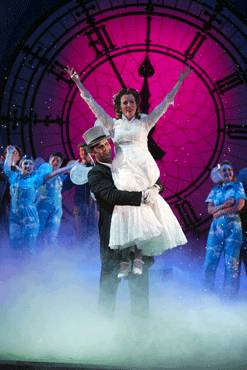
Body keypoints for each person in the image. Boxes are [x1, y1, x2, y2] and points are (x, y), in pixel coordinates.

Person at [66, 66, 188, 277]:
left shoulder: (145, 122)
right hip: (123, 169)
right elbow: (92, 104)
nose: (129, 105)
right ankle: (124, 257)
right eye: (125, 102)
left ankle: (138, 255)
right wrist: (77, 82)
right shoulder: (113, 125)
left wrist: (179, 82)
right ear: (119, 106)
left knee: (141, 209)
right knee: (125, 207)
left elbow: (164, 104)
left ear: (136, 104)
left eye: (132, 102)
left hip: (142, 168)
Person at [84, 126, 159, 317]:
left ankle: (141, 331)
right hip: (113, 241)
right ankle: (104, 330)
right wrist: (142, 196)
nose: (106, 149)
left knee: (140, 287)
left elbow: (146, 180)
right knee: (109, 288)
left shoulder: (125, 165)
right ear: (92, 153)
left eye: (106, 144)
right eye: (99, 148)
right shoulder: (95, 174)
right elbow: (112, 195)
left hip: (136, 236)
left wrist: (156, 188)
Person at [204, 161, 246, 297]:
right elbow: (210, 210)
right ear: (220, 174)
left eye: (230, 170)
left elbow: (239, 205)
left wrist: (221, 212)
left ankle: (229, 298)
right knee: (209, 262)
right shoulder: (214, 190)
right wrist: (223, 206)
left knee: (231, 265)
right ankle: (206, 294)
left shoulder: (237, 186)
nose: (227, 172)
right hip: (215, 231)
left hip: (233, 230)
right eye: (224, 171)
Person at [37, 152, 73, 247]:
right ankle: (34, 256)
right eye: (54, 159)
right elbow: (47, 177)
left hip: (56, 210)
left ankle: (49, 257)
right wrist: (66, 168)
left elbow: (72, 179)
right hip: (43, 208)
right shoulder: (45, 167)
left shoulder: (60, 177)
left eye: (59, 161)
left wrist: (78, 167)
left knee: (52, 235)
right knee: (39, 233)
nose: (56, 162)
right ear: (49, 160)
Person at [63, 143, 97, 241]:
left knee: (94, 231)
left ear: (91, 152)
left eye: (85, 150)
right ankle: (81, 252)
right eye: (81, 151)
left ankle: (93, 253)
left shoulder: (97, 167)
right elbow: (66, 185)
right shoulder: (76, 168)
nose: (83, 153)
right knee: (80, 231)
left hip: (94, 204)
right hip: (80, 203)